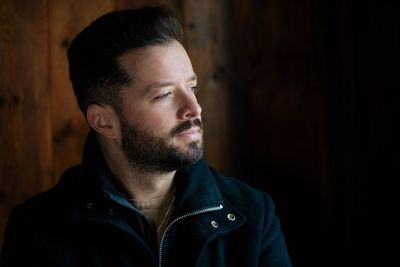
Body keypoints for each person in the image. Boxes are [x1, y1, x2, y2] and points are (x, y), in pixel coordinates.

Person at [0, 6, 292, 267]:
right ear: (104, 122)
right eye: (165, 94)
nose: (194, 108)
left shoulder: (252, 216)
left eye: (191, 87)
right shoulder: (38, 230)